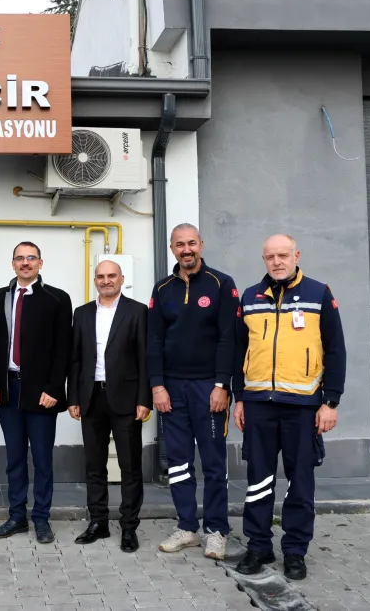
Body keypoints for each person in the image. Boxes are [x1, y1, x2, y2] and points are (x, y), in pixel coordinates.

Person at [233, 234, 346, 581]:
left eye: (283, 255)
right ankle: (259, 546)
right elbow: (238, 351)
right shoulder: (251, 296)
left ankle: (295, 551)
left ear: (296, 255)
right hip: (258, 405)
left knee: (300, 481)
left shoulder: (318, 293)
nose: (277, 261)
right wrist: (240, 397)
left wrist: (330, 402)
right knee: (258, 480)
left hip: (302, 407)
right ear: (263, 259)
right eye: (270, 256)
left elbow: (336, 350)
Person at [148, 223, 238, 560]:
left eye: (191, 243)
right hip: (172, 390)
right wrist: (157, 385)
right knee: (179, 463)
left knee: (214, 463)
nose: (186, 250)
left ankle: (216, 530)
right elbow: (153, 340)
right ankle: (187, 526)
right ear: (172, 249)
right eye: (179, 245)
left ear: (201, 244)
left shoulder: (221, 284)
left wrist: (221, 385)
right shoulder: (162, 289)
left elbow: (229, 338)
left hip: (207, 389)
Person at [0, 241, 73, 545]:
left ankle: (42, 518)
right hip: (8, 388)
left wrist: (54, 389)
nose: (25, 263)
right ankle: (16, 516)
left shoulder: (57, 299)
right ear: (12, 264)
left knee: (43, 459)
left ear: (40, 263)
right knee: (15, 457)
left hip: (41, 391)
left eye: (30, 258)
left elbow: (63, 349)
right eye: (19, 258)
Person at [68, 260, 150, 552]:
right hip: (91, 398)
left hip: (127, 399)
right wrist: (73, 397)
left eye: (111, 275)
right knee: (94, 465)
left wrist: (144, 399)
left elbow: (144, 358)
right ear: (95, 280)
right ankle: (98, 523)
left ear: (121, 278)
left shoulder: (137, 311)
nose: (106, 281)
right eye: (101, 276)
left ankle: (129, 527)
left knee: (130, 467)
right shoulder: (82, 313)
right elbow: (75, 359)